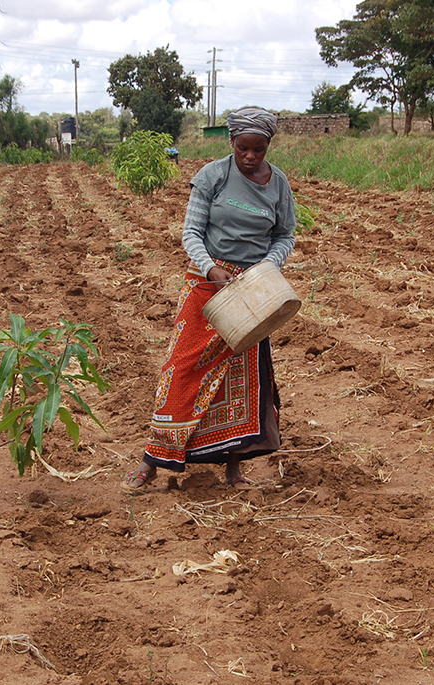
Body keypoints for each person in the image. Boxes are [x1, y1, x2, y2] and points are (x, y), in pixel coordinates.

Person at [122, 106, 296, 491]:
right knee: (181, 370)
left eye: (259, 150)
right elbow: (191, 233)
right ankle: (152, 461)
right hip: (207, 286)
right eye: (243, 148)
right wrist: (211, 268)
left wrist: (266, 266)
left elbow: (285, 235)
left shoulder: (278, 183)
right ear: (231, 142)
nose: (250, 157)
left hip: (253, 290)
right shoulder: (212, 176)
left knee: (243, 378)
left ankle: (234, 469)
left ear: (268, 146)